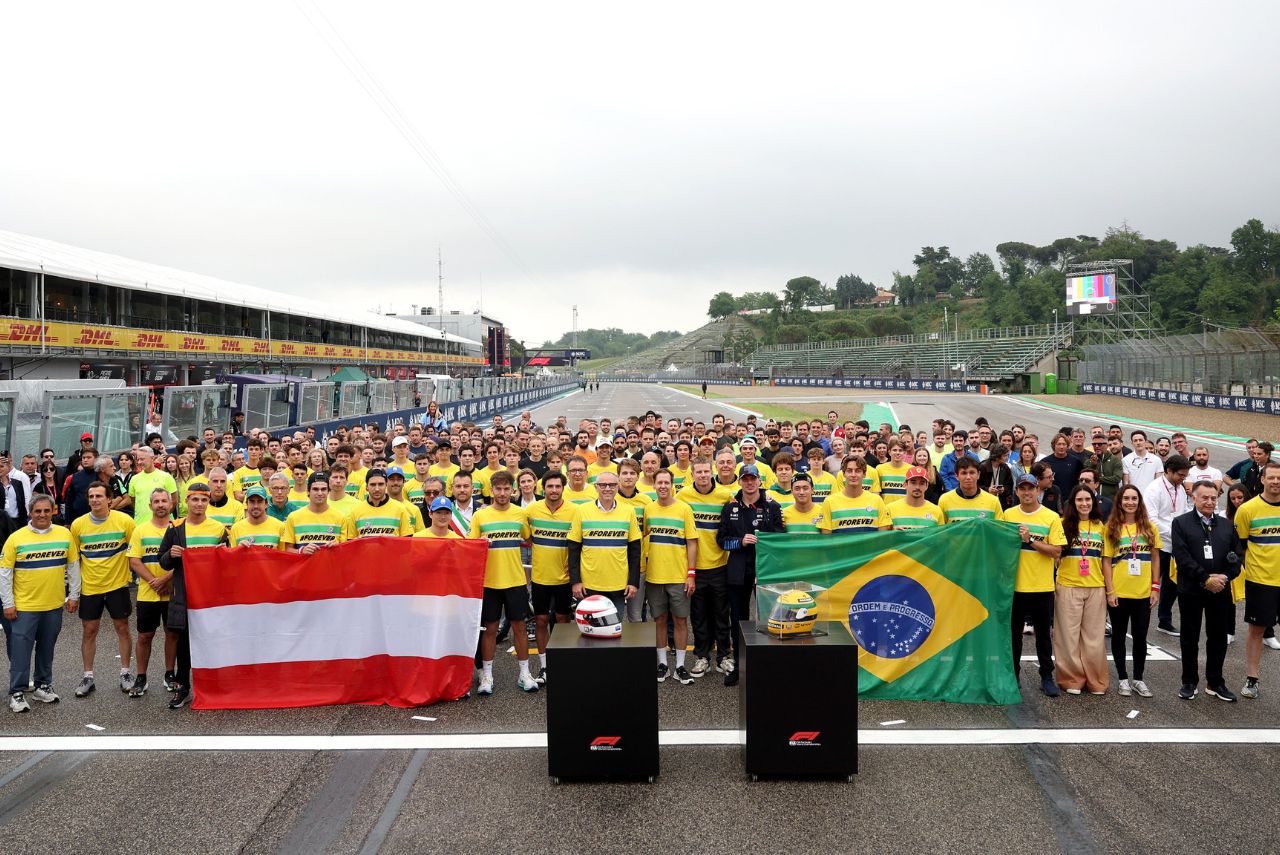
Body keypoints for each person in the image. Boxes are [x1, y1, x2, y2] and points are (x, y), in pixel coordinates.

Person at [1, 495, 80, 713]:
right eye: (38, 511)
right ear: (30, 513)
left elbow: (73, 566)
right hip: (24, 606)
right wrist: (8, 603)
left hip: (53, 605)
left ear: (53, 511)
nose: (42, 515)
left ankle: (43, 686)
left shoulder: (65, 534)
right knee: (20, 651)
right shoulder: (16, 538)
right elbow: (5, 574)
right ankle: (16, 692)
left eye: (47, 511)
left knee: (47, 648)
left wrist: (74, 595)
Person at [158, 482, 228, 709]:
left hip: (212, 596)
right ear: (186, 502)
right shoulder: (175, 528)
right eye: (195, 499)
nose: (199, 504)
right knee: (183, 642)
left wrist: (222, 554)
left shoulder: (218, 529)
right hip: (184, 593)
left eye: (204, 500)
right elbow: (162, 560)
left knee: (214, 640)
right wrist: (171, 553)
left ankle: (214, 685)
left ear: (209, 502)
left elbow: (228, 563)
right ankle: (182, 686)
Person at [1172, 481, 1241, 701]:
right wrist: (1205, 578)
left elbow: (1237, 557)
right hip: (1191, 589)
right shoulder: (1181, 523)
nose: (1210, 502)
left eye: (1213, 498)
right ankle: (1189, 681)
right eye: (1205, 498)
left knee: (1218, 637)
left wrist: (1225, 577)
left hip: (1220, 590)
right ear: (1194, 497)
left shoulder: (1227, 525)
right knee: (1189, 637)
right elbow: (1182, 558)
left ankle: (1215, 682)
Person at [716, 464, 784, 687]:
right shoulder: (730, 508)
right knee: (738, 620)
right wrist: (740, 542)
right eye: (745, 479)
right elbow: (722, 540)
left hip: (763, 571)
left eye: (753, 478)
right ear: (740, 482)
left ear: (759, 481)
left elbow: (779, 539)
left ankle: (767, 664)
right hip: (737, 572)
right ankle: (739, 664)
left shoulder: (772, 506)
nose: (749, 482)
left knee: (768, 619)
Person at [470, 471, 537, 695]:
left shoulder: (520, 514)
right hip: (489, 582)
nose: (502, 493)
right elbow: (471, 546)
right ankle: (487, 676)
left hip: (515, 580)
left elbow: (528, 538)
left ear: (513, 490)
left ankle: (524, 673)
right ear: (491, 490)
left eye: (506, 489)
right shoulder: (481, 516)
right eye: (497, 489)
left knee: (519, 627)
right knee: (490, 629)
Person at [69, 482, 137, 697]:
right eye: (91, 496)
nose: (95, 500)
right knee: (89, 631)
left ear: (109, 499)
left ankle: (126, 673)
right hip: (90, 587)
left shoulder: (125, 521)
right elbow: (74, 561)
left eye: (99, 496)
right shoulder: (78, 525)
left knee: (123, 628)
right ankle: (88, 676)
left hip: (117, 585)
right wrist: (74, 592)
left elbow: (135, 551)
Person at [1004, 473, 1065, 696]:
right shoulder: (1008, 514)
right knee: (1013, 635)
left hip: (1042, 587)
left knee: (1043, 635)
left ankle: (1046, 677)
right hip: (1015, 586)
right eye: (1023, 488)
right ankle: (1014, 674)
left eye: (1031, 488)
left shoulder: (1050, 517)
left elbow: (1056, 551)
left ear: (1038, 490)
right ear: (1017, 491)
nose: (1027, 492)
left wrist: (1030, 540)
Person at [676, 457, 735, 677]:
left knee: (721, 614)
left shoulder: (725, 495)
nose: (702, 475)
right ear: (692, 474)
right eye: (698, 472)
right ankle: (702, 657)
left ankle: (723, 657)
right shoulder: (683, 496)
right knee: (698, 615)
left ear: (712, 472)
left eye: (705, 471)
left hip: (719, 564)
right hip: (694, 568)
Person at [1102, 485, 1161, 699]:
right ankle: (1123, 678)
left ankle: (1138, 678)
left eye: (1134, 498)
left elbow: (1155, 558)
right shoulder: (1112, 528)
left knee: (1140, 637)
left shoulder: (1149, 528)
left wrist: (1155, 587)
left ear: (1139, 501)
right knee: (1118, 636)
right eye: (1126, 498)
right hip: (1119, 591)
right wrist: (1110, 591)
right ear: (1119, 502)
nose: (1130, 502)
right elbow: (1106, 562)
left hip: (1143, 593)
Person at [643, 468, 698, 685]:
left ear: (672, 485)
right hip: (655, 576)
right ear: (654, 485)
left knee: (681, 620)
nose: (663, 486)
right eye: (659, 483)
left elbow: (692, 543)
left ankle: (681, 666)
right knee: (659, 620)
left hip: (678, 576)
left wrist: (691, 574)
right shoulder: (648, 509)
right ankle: (663, 664)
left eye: (667, 482)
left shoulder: (684, 509)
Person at [1055, 483, 1108, 695]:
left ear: (1093, 502)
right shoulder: (1061, 524)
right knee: (1068, 637)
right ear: (1073, 503)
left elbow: (1106, 559)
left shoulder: (1100, 527)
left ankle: (1096, 680)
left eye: (1088, 500)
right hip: (1068, 586)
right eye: (1079, 500)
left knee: (1094, 638)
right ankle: (1072, 679)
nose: (1084, 504)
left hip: (1096, 586)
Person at [524, 471, 575, 685]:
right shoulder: (531, 511)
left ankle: (563, 664)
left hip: (564, 579)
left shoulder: (575, 511)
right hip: (540, 577)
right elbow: (527, 537)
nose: (553, 490)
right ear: (542, 488)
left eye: (557, 486)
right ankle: (545, 667)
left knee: (563, 621)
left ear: (563, 488)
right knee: (542, 620)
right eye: (550, 486)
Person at [127, 487, 178, 697]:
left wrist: (166, 579)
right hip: (148, 592)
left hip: (173, 590)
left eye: (164, 501)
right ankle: (141, 677)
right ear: (150, 506)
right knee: (144, 636)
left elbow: (185, 559)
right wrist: (154, 581)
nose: (160, 505)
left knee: (172, 634)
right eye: (156, 502)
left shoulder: (178, 528)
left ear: (171, 504)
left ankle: (169, 674)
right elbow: (134, 560)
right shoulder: (140, 530)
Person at [567, 470, 641, 614]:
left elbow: (635, 552)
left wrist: (633, 582)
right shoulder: (582, 511)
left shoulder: (629, 511)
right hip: (589, 584)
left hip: (618, 584)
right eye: (603, 485)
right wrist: (575, 581)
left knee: (614, 628)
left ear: (618, 486)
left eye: (612, 485)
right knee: (590, 629)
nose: (607, 488)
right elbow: (573, 550)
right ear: (596, 487)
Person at [1236, 460, 1280, 699]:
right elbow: (1240, 547)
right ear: (1262, 479)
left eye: (1279, 478)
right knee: (1256, 631)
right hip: (1261, 581)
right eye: (1271, 477)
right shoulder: (1247, 510)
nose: (1275, 482)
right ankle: (1252, 679)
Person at [1144, 454, 1191, 638]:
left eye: (1185, 475)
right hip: (1159, 544)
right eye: (1180, 475)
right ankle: (1140, 617)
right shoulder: (1154, 489)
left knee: (1172, 585)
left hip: (1177, 545)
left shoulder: (1179, 487)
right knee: (1151, 582)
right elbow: (1151, 519)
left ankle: (1165, 620)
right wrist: (1176, 532)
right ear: (1169, 471)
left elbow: (1184, 510)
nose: (1183, 478)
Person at [822, 456, 891, 534]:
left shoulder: (877, 500)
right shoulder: (829, 502)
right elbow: (826, 538)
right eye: (849, 471)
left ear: (864, 474)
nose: (853, 475)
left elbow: (882, 536)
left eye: (858, 471)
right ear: (843, 474)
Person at [282, 473, 349, 553]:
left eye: (323, 489)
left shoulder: (340, 518)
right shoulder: (293, 517)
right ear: (308, 491)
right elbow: (287, 550)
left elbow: (345, 552)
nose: (320, 493)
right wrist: (301, 551)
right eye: (315, 489)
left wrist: (338, 547)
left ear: (328, 491)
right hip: (305, 565)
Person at [345, 470, 414, 538]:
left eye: (381, 484)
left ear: (386, 485)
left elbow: (407, 541)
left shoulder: (400, 509)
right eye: (373, 484)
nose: (377, 489)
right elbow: (351, 543)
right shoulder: (356, 511)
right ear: (366, 487)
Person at [939, 456, 1002, 524]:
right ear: (956, 476)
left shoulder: (993, 501)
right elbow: (940, 531)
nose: (968, 477)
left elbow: (1000, 530)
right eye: (964, 473)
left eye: (972, 473)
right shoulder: (944, 500)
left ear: (978, 475)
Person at [125, 447, 178, 525]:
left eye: (142, 459)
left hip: (163, 525)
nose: (139, 462)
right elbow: (133, 501)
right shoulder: (134, 479)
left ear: (152, 458)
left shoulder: (166, 477)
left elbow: (174, 501)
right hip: (141, 525)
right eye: (137, 459)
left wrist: (162, 516)